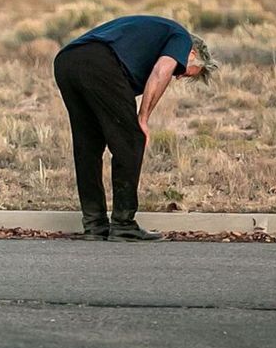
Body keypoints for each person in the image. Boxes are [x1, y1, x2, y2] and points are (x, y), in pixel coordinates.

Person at [53, 15, 218, 242]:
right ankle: (123, 225)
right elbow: (161, 72)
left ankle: (95, 225)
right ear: (192, 54)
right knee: (132, 140)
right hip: (99, 62)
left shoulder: (151, 38)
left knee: (88, 146)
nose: (178, 76)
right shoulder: (181, 38)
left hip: (67, 61)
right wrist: (143, 118)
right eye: (184, 71)